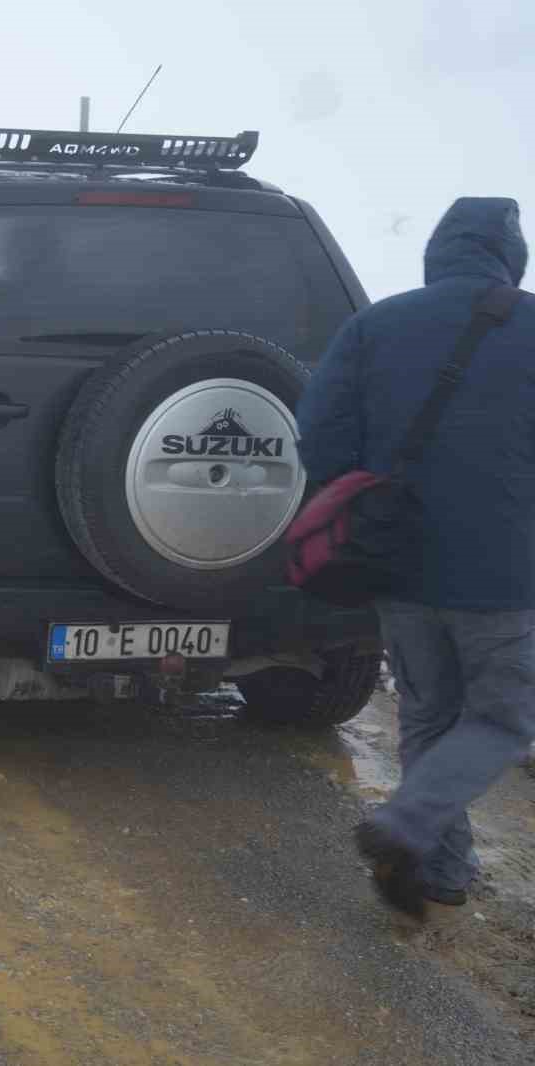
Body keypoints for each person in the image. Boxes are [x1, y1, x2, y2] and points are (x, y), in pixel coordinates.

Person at [297, 197, 535, 918]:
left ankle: (440, 870)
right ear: (511, 257)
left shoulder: (376, 324)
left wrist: (366, 492)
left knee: (430, 716)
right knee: (502, 719)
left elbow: (319, 435)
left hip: (398, 562)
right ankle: (405, 827)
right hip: (505, 571)